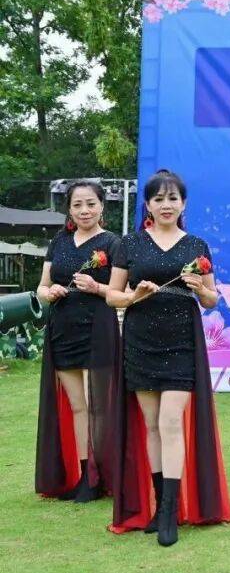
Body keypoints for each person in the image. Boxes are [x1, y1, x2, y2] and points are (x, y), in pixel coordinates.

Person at [105, 169, 230, 547]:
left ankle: (169, 513)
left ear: (183, 203)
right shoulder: (129, 244)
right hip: (141, 338)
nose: (166, 205)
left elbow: (212, 299)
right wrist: (133, 296)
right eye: (159, 199)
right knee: (152, 425)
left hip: (181, 340)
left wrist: (200, 289)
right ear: (147, 204)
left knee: (171, 420)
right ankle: (161, 504)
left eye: (173, 198)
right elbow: (112, 295)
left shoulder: (196, 245)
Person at [35, 181, 121, 503]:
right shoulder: (59, 242)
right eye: (77, 205)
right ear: (69, 209)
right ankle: (85, 475)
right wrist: (50, 292)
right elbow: (42, 287)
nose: (84, 211)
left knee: (97, 404)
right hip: (63, 329)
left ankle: (102, 475)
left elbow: (121, 292)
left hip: (97, 327)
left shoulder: (112, 243)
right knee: (77, 405)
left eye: (91, 204)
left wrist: (96, 288)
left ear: (102, 206)